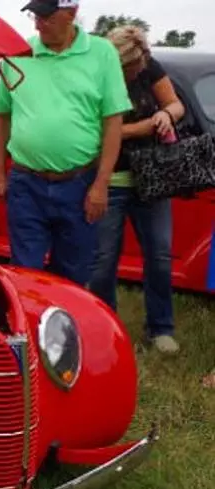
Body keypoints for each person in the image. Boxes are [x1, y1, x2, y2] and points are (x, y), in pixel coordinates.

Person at [0, 0, 132, 287]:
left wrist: (101, 184)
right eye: (35, 15)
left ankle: (65, 329)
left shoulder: (102, 53)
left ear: (71, 13)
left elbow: (113, 122)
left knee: (73, 273)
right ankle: (30, 328)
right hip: (26, 184)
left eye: (46, 16)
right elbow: (2, 118)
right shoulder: (18, 55)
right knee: (25, 272)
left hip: (79, 184)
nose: (37, 23)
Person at [87, 26, 184, 354]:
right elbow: (91, 131)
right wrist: (138, 128)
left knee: (159, 255)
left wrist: (165, 115)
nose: (136, 73)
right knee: (102, 263)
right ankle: (105, 328)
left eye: (140, 67)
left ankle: (161, 328)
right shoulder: (95, 75)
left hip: (152, 180)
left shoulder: (149, 67)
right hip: (108, 181)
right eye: (131, 68)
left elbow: (176, 104)